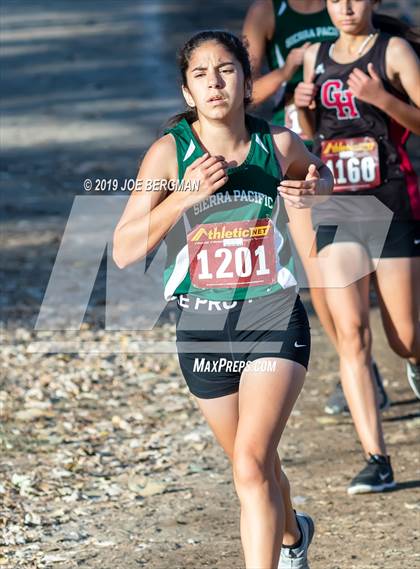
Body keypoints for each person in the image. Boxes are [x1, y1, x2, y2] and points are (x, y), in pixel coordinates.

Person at [113, 30, 333, 569]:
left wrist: (316, 188)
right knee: (254, 463)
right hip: (203, 325)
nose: (215, 82)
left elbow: (316, 174)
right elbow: (123, 250)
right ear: (188, 94)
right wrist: (184, 197)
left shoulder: (276, 145)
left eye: (227, 70)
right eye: (200, 74)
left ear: (247, 82)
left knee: (250, 465)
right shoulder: (170, 153)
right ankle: (292, 533)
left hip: (273, 315)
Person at [294, 0, 420, 494]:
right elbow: (310, 139)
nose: (345, 6)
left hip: (391, 203)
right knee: (351, 335)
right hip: (337, 208)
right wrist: (304, 112)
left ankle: (412, 364)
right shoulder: (314, 54)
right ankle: (376, 458)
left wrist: (381, 98)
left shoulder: (395, 54)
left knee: (404, 338)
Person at [243, 0, 390, 416]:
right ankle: (359, 363)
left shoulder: (348, 2)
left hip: (360, 148)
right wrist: (289, 73)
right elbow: (244, 92)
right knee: (322, 272)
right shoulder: (268, 12)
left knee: (381, 269)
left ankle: (397, 348)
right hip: (302, 157)